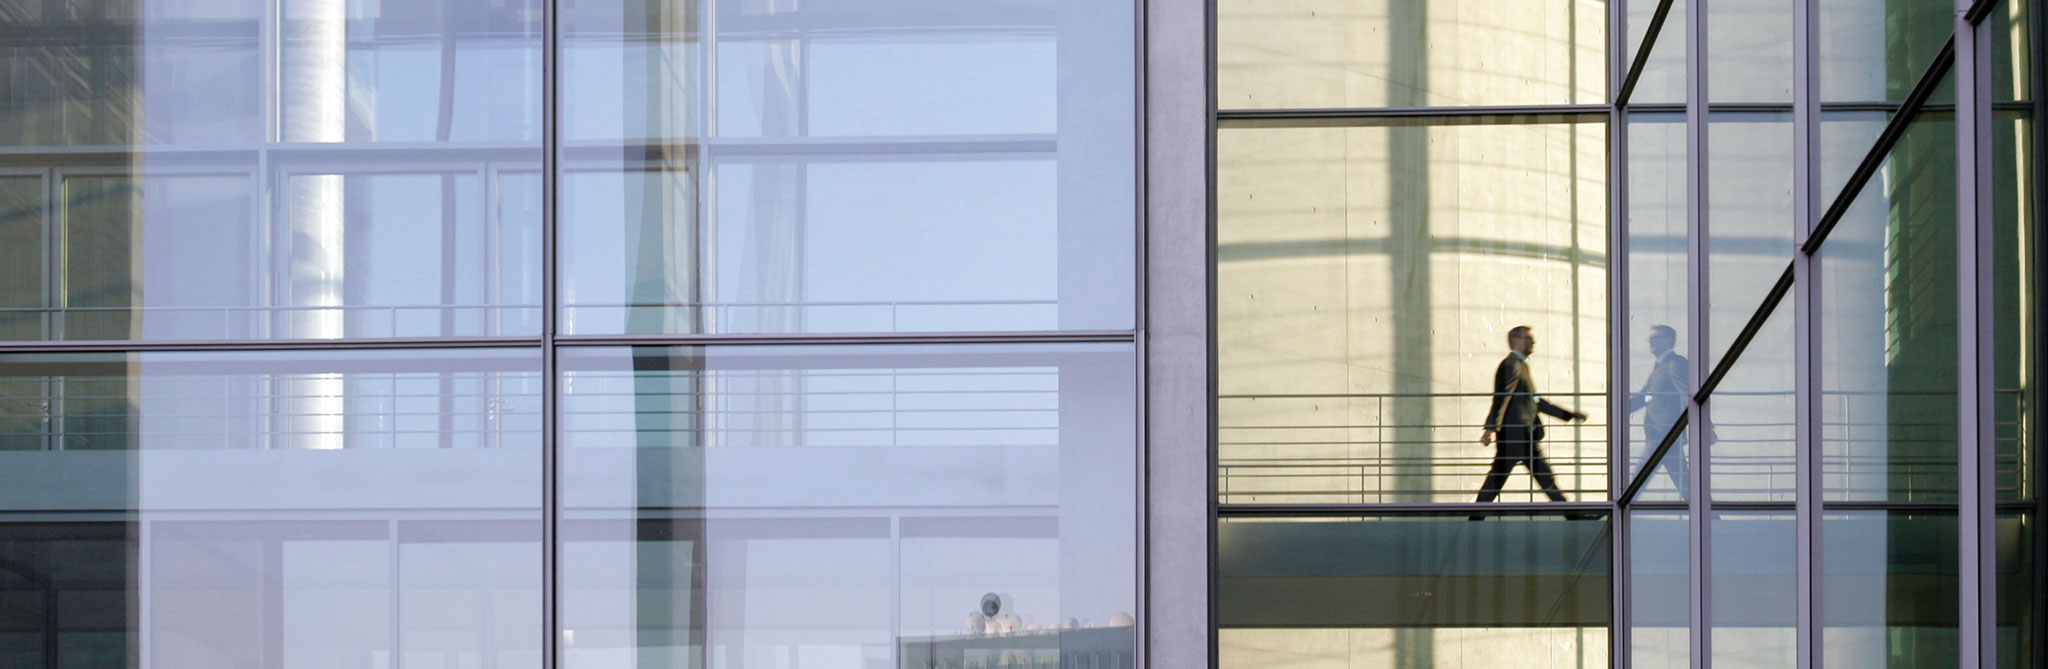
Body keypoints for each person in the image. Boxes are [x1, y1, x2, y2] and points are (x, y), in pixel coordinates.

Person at [1474, 325, 1587, 511]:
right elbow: (1503, 395)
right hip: (1517, 436)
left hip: (1519, 435)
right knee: (1535, 477)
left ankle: (1474, 517)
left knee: (1534, 477)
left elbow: (1535, 401)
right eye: (1527, 338)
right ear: (1516, 341)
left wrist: (1569, 415)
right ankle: (1572, 514)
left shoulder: (1520, 365)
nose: (1532, 342)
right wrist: (1491, 427)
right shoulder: (1512, 364)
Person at [1627, 324, 1689, 496]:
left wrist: (1706, 426)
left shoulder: (1675, 363)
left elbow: (1689, 395)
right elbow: (1644, 396)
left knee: (1635, 484)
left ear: (1668, 341)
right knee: (1687, 486)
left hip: (1662, 435)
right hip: (1664, 436)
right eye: (1650, 338)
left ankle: (1617, 518)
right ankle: (1714, 520)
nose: (1650, 341)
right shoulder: (1660, 367)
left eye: (1655, 337)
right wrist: (1616, 411)